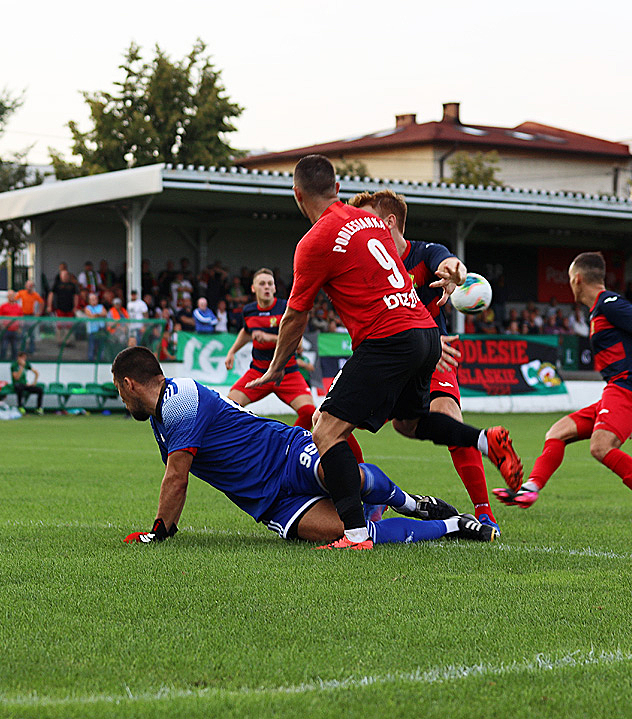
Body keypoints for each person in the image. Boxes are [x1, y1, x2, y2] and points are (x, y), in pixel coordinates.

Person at [248, 155, 521, 550]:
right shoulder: (374, 222)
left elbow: (294, 316)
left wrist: (275, 369)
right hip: (425, 333)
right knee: (409, 424)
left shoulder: (313, 242)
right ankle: (484, 439)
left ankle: (357, 535)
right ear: (338, 190)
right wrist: (451, 271)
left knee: (325, 428)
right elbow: (420, 261)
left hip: (386, 339)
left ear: (297, 195)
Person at [111, 347, 496, 546]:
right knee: (344, 531)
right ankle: (453, 526)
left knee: (342, 476)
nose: (121, 397)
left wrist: (159, 532)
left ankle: (409, 503)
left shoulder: (179, 399)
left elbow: (176, 478)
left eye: (118, 389)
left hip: (283, 453)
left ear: (129, 383)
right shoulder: (162, 418)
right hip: (272, 503)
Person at [492, 252, 632, 520]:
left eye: (568, 279)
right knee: (557, 432)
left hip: (627, 388)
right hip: (622, 391)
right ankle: (530, 489)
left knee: (600, 448)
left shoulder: (610, 303)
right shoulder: (600, 309)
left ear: (577, 279)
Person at [350, 190, 499, 528]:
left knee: (449, 417)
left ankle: (483, 511)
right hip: (385, 359)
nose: (357, 227)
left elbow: (449, 264)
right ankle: (372, 497)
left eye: (364, 219)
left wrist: (456, 275)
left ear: (388, 222)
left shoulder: (426, 254)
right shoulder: (365, 263)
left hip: (433, 358)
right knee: (329, 423)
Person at [223, 267, 364, 461]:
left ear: (274, 288)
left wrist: (269, 338)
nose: (267, 287)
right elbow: (247, 332)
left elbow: (297, 344)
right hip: (258, 372)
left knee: (310, 413)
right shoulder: (248, 311)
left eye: (270, 284)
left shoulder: (286, 308)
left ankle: (289, 449)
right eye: (262, 284)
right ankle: (233, 454)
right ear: (253, 288)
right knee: (227, 408)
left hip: (287, 373)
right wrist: (232, 352)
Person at [0, 290, 24, 359]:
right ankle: (2, 360)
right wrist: (2, 326)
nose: (11, 297)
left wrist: (20, 327)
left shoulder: (18, 307)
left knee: (15, 347)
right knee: (4, 346)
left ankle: (14, 361)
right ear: (7, 297)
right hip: (6, 330)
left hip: (15, 330)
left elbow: (21, 318)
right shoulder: (3, 306)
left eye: (13, 296)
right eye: (10, 296)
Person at [84, 291, 108, 361]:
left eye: (95, 299)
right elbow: (91, 316)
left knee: (101, 346)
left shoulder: (101, 306)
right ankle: (90, 360)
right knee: (92, 346)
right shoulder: (87, 307)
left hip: (101, 330)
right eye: (92, 299)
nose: (94, 301)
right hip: (92, 331)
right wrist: (98, 314)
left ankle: (101, 359)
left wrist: (96, 315)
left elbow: (104, 313)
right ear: (89, 300)